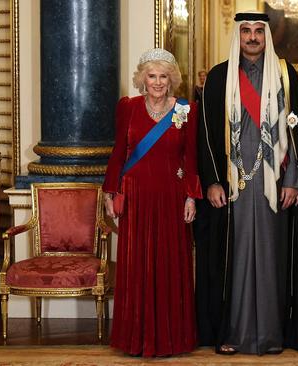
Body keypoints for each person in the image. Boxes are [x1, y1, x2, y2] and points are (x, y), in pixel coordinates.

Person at [196, 12, 298, 355]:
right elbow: (207, 135)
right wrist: (211, 181)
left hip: (275, 184)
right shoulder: (219, 77)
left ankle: (271, 335)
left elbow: (296, 128)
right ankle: (234, 333)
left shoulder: (284, 75)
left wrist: (295, 180)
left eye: (258, 31)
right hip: (234, 185)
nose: (252, 37)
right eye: (246, 31)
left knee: (272, 258)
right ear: (237, 35)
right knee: (234, 261)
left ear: (266, 35)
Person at [103, 48, 201, 357]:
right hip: (136, 197)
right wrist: (110, 191)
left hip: (171, 197)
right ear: (142, 79)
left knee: (171, 264)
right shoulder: (128, 107)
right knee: (137, 265)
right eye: (151, 76)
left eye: (163, 76)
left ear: (172, 80)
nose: (157, 82)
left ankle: (172, 339)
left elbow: (191, 157)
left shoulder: (186, 109)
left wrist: (190, 195)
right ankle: (135, 338)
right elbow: (119, 151)